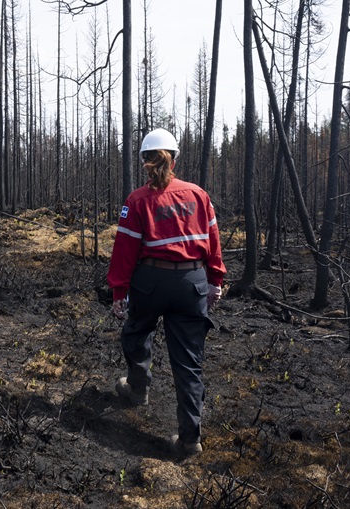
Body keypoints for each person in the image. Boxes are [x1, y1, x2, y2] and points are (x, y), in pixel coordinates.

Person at [107, 128, 226, 458]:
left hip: (151, 282)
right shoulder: (199, 195)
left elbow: (125, 251)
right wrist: (215, 281)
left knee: (136, 330)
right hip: (193, 283)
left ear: (145, 160)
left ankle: (137, 388)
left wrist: (120, 291)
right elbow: (213, 244)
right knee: (188, 362)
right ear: (175, 158)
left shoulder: (137, 200)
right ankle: (190, 440)